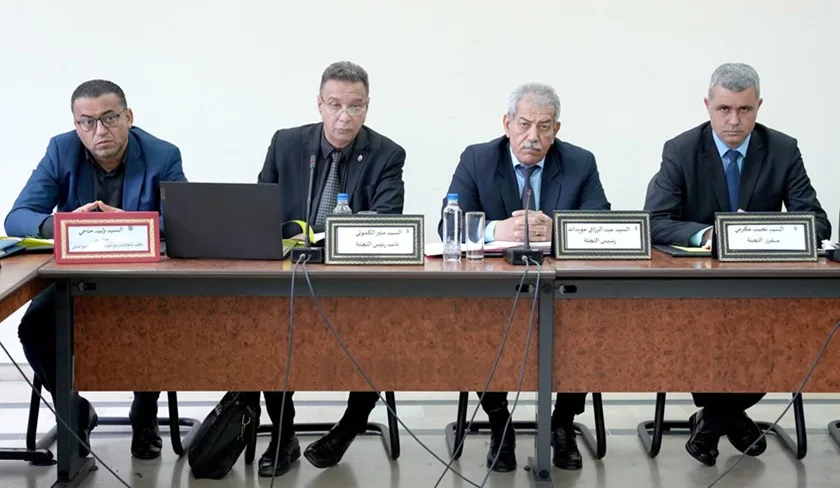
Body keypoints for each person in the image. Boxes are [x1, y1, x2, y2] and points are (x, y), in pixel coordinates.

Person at [644, 62, 831, 466]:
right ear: (708, 105)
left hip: (761, 291)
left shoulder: (782, 149)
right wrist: (709, 235)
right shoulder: (681, 149)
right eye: (724, 109)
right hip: (697, 291)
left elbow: (817, 222)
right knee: (707, 335)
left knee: (781, 338)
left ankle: (712, 421)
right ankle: (730, 418)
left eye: (744, 109)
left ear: (758, 106)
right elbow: (655, 221)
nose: (733, 120)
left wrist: (761, 232)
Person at [4, 79, 187, 460]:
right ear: (76, 125)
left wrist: (132, 224)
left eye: (109, 118)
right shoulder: (61, 150)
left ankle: (145, 413)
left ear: (128, 116)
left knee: (158, 324)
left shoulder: (162, 154)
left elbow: (185, 221)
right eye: (87, 122)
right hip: (75, 278)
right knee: (33, 329)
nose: (99, 130)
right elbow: (18, 217)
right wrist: (64, 224)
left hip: (141, 278)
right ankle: (74, 411)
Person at [438, 82, 610, 472]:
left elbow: (599, 222)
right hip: (494, 292)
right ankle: (500, 423)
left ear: (556, 130)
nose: (533, 136)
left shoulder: (580, 162)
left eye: (544, 127)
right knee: (478, 325)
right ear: (507, 124)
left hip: (562, 291)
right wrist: (495, 229)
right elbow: (447, 225)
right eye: (524, 124)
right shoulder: (478, 159)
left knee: (587, 324)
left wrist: (557, 228)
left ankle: (562, 422)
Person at [254, 61, 406, 477]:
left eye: (355, 106)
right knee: (268, 333)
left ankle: (349, 427)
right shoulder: (286, 144)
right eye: (335, 105)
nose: (345, 116)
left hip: (353, 281)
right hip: (291, 276)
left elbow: (389, 220)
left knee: (380, 333)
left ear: (367, 107)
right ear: (319, 104)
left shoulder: (387, 154)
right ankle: (282, 435)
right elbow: (260, 209)